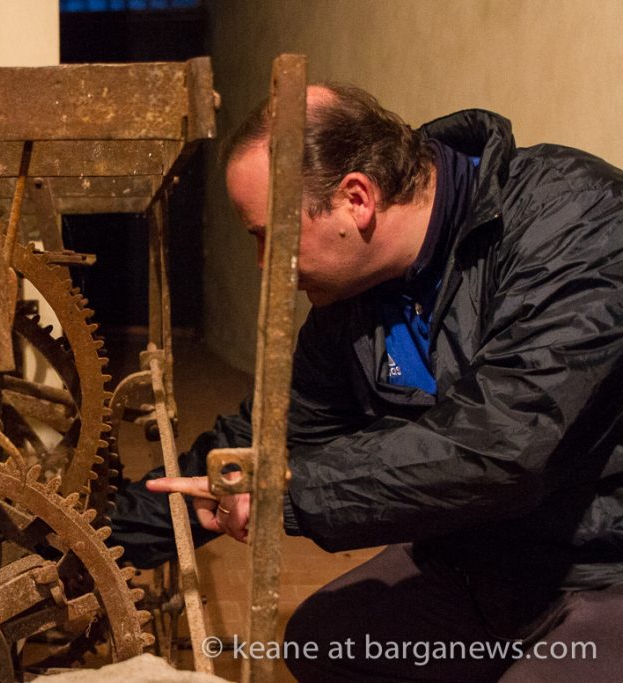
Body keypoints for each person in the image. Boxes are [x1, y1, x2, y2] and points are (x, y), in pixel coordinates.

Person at [110, 83, 623, 680]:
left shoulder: (578, 222)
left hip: (597, 567)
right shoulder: (354, 301)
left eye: (266, 237)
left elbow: (502, 447)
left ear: (356, 198)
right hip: (475, 557)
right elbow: (271, 438)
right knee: (323, 642)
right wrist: (93, 537)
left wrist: (283, 492)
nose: (262, 265)